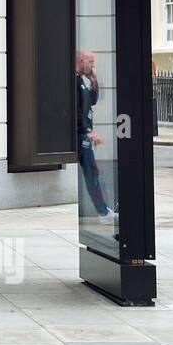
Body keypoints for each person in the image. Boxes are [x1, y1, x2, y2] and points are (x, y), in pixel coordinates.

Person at [76, 48, 113, 222]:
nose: (92, 65)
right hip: (81, 135)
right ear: (81, 60)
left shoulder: (82, 81)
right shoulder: (75, 81)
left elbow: (91, 102)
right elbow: (75, 110)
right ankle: (102, 212)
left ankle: (103, 210)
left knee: (93, 172)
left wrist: (94, 82)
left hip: (84, 134)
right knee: (92, 172)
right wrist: (87, 131)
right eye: (90, 62)